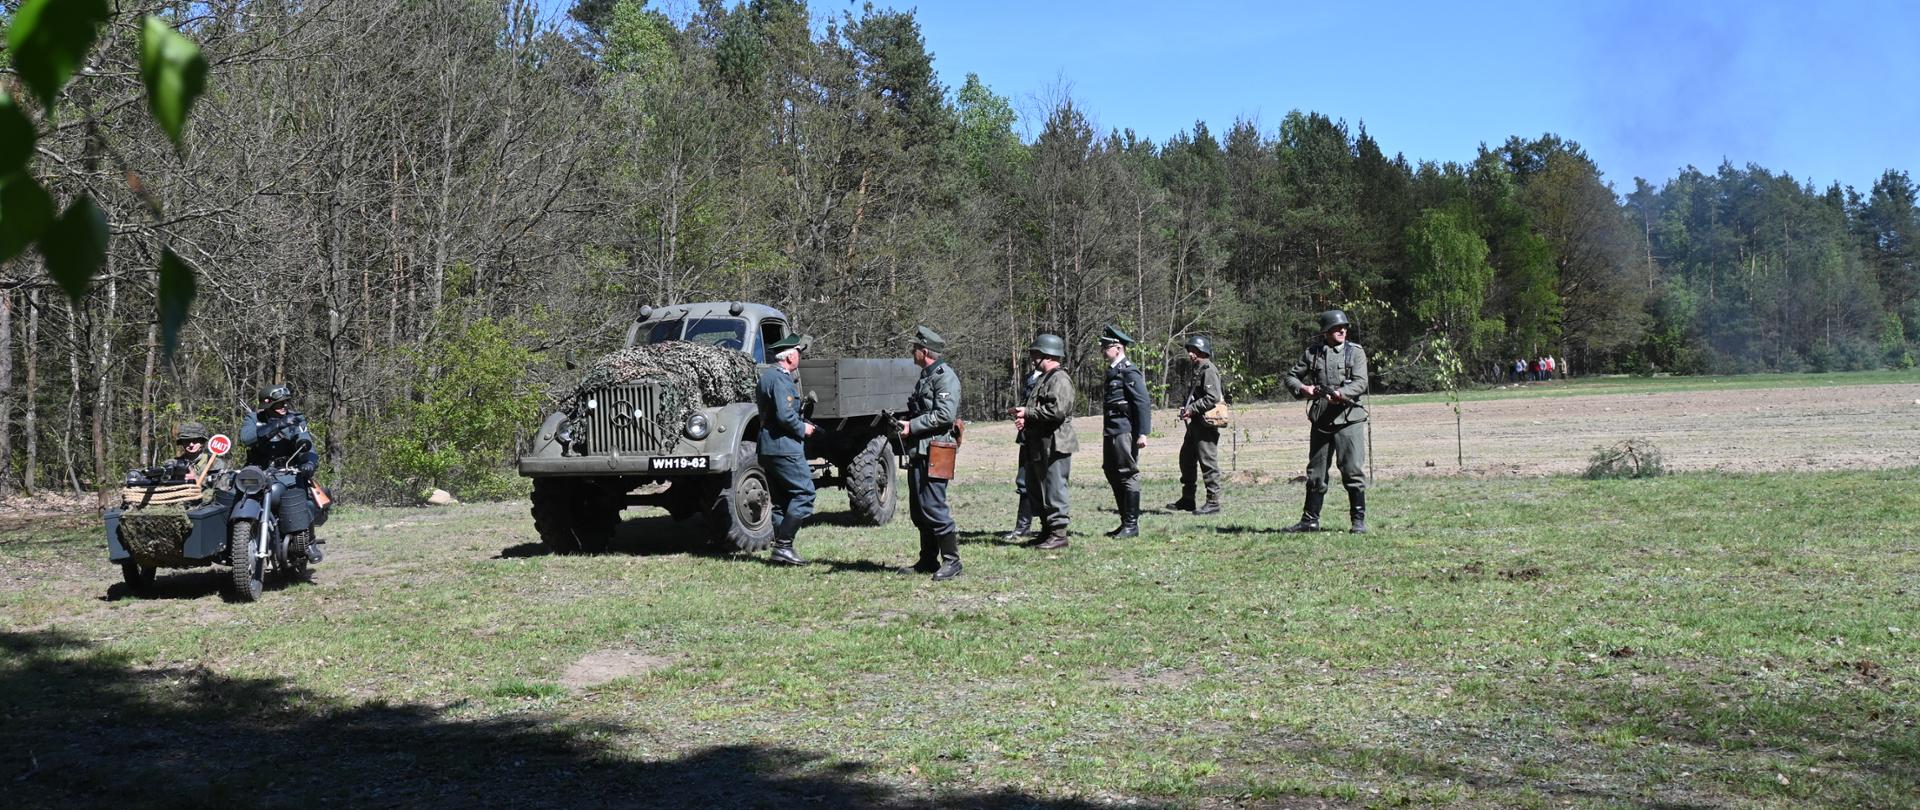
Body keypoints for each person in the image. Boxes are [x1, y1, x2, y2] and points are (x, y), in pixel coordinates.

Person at [1279, 310, 1371, 534]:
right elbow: (1291, 376)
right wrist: (1304, 389)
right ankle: (1310, 520)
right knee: (1316, 472)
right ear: (1326, 331)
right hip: (1321, 420)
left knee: (1352, 470)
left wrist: (1340, 394)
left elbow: (1360, 383)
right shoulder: (1313, 353)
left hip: (1349, 419)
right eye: (1337, 328)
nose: (1342, 331)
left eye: (1344, 328)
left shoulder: (1355, 353)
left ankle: (1357, 521)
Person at [894, 326, 963, 580]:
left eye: (915, 349)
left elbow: (945, 415)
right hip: (920, 451)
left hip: (936, 451)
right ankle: (928, 559)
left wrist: (912, 426)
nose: (912, 352)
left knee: (934, 507)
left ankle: (952, 561)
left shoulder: (945, 377)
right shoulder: (927, 375)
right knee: (920, 509)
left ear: (925, 351)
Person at [241, 384, 326, 561]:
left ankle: (308, 541)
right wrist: (278, 425)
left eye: (286, 403)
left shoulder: (296, 419)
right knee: (236, 494)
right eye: (279, 404)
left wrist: (309, 462)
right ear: (268, 404)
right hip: (258, 471)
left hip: (286, 470)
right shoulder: (253, 419)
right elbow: (246, 439)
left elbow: (305, 441)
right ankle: (238, 541)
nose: (284, 407)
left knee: (299, 494)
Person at [755, 334, 816, 566]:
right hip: (784, 448)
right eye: (798, 352)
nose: (799, 356)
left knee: (781, 501)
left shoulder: (766, 377)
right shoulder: (781, 379)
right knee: (804, 494)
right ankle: (783, 546)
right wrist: (804, 429)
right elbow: (785, 415)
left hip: (768, 447)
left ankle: (782, 552)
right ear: (790, 356)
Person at [1013, 333, 1076, 550]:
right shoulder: (1044, 378)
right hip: (1041, 442)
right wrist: (1025, 419)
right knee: (1037, 488)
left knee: (1054, 488)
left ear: (1048, 355)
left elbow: (1057, 411)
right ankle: (1046, 531)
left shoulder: (1059, 379)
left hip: (1056, 444)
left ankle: (1059, 534)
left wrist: (1028, 413)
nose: (1032, 358)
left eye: (1036, 354)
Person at [1098, 325, 1150, 538]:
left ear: (1117, 348)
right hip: (1112, 430)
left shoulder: (1129, 371)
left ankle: (1132, 525)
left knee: (1127, 473)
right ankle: (1124, 522)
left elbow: (1142, 403)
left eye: (1105, 347)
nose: (1102, 350)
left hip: (1124, 430)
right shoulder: (1113, 371)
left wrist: (1143, 433)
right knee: (1111, 471)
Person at [1168, 335, 1224, 515]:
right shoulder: (1197, 369)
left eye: (1194, 350)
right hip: (1196, 424)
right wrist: (1187, 407)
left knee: (1208, 464)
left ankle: (1213, 502)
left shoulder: (1208, 369)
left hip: (1205, 425)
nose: (1190, 354)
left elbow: (1212, 397)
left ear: (1202, 351)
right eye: (1189, 350)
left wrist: (1191, 409)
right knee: (1186, 460)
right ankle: (1188, 499)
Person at [999, 366, 1042, 542]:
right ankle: (1022, 527)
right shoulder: (1030, 376)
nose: (1033, 357)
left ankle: (1051, 528)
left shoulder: (1053, 377)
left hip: (1043, 437)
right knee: (1024, 480)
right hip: (1027, 436)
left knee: (1045, 483)